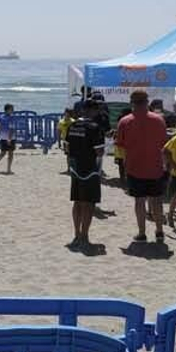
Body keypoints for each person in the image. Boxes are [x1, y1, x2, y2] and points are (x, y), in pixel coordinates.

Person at [117, 90, 168, 243]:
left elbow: (120, 147)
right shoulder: (159, 120)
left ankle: (142, 233)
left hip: (134, 167)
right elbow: (164, 144)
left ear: (132, 102)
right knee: (157, 201)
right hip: (155, 167)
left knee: (139, 202)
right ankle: (159, 231)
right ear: (147, 102)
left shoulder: (125, 122)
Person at [65, 99, 107, 249]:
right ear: (93, 110)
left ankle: (76, 234)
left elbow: (67, 148)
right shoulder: (94, 127)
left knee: (77, 201)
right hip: (90, 168)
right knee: (88, 203)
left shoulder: (73, 125)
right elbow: (99, 151)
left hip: (75, 167)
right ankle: (85, 235)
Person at [0, 103, 18, 175]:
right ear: (8, 110)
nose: (13, 110)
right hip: (10, 137)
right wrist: (9, 138)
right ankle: (8, 169)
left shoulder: (1, 117)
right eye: (12, 109)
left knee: (3, 152)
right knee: (10, 153)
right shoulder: (11, 117)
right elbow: (11, 129)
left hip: (2, 136)